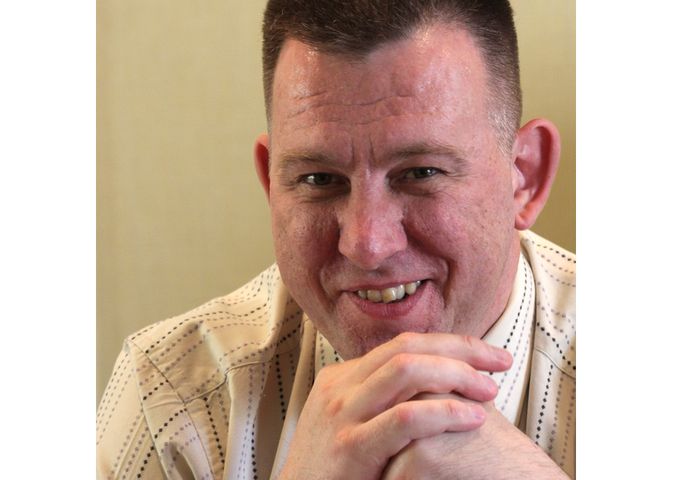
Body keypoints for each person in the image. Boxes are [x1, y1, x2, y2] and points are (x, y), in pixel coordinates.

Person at [97, 0, 575, 478]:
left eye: (421, 173)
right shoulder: (171, 399)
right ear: (271, 182)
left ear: (524, 178)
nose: (367, 244)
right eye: (319, 179)